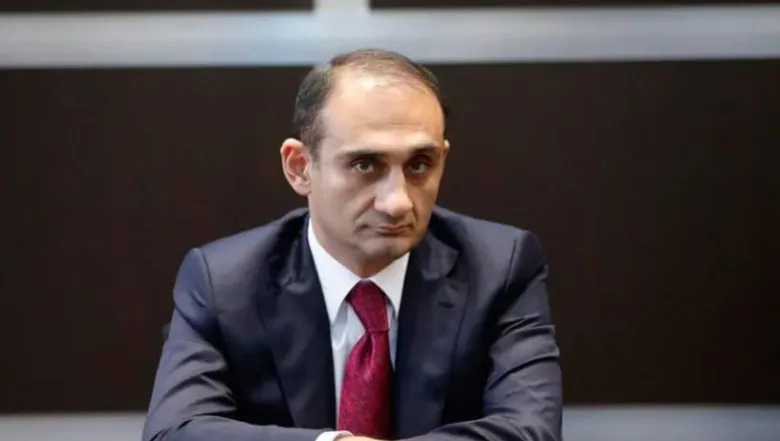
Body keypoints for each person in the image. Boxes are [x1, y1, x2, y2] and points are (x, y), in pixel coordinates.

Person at [142, 48, 562, 441]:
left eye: (419, 165)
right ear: (300, 167)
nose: (398, 203)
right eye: (365, 165)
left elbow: (530, 431)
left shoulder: (499, 268)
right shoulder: (224, 282)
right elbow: (175, 432)